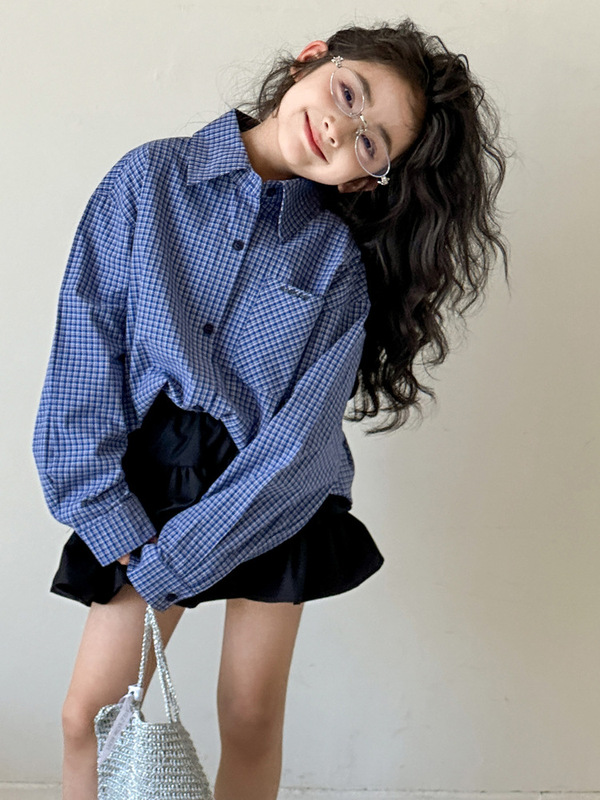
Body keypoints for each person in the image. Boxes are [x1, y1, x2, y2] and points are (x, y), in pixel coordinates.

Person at [31, 18, 510, 800]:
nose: (341, 128)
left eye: (370, 142)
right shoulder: (149, 180)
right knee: (90, 716)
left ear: (365, 182)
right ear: (312, 60)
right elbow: (87, 349)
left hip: (273, 493)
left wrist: (186, 559)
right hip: (149, 484)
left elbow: (301, 440)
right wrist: (104, 507)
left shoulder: (336, 267)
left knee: (250, 715)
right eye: (349, 94)